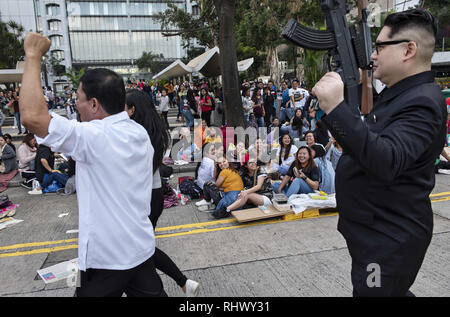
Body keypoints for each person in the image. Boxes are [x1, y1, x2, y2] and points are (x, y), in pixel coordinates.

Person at [312, 9, 446, 297]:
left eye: (380, 46)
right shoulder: (401, 94)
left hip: (388, 240)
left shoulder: (422, 102)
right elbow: (371, 143)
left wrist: (337, 108)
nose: (373, 55)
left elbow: (386, 160)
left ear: (408, 49)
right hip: (376, 231)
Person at [20, 32, 166, 297]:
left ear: (95, 104)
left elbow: (31, 116)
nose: (75, 103)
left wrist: (33, 55)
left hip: (107, 260)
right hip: (140, 249)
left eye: (78, 98)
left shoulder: (95, 137)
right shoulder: (138, 133)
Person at [125, 89, 199, 297]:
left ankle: (179, 283)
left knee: (141, 248)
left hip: (143, 196)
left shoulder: (136, 133)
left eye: (124, 106)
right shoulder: (154, 128)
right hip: (154, 194)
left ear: (132, 109)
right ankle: (184, 284)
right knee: (141, 246)